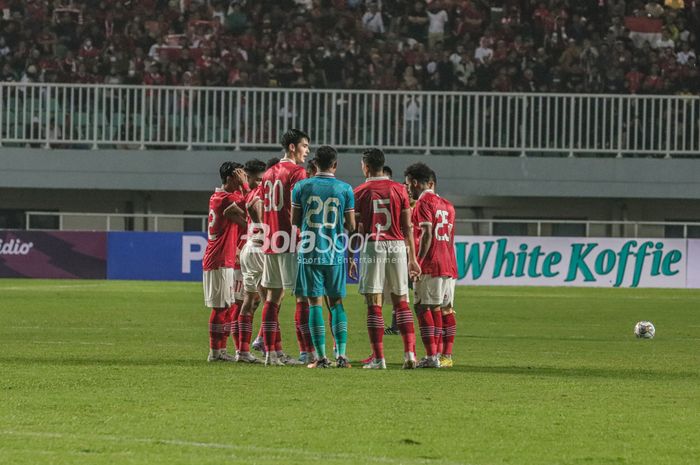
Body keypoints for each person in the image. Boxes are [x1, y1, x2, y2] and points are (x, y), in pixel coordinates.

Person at [354, 150, 421, 369]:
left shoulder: (361, 191)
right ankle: (410, 354)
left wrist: (351, 254)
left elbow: (358, 228)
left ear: (366, 166)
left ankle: (378, 358)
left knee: (375, 302)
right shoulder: (400, 189)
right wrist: (413, 258)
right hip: (398, 245)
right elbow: (408, 226)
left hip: (374, 245)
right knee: (401, 301)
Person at [291, 145, 357, 368]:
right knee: (336, 302)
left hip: (310, 251)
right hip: (335, 252)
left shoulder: (301, 187)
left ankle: (320, 358)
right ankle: (342, 356)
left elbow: (294, 221)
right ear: (335, 165)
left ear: (315, 164)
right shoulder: (345, 189)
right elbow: (351, 225)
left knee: (314, 303)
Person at [259, 129, 310, 366]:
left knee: (273, 296)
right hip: (290, 239)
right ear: (292, 147)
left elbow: (260, 204)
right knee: (303, 298)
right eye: (304, 146)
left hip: (271, 239)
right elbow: (302, 206)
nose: (307, 151)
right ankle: (309, 353)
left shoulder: (268, 173)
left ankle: (271, 353)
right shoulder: (297, 172)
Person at [404, 162, 457, 368]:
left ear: (416, 183)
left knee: (423, 306)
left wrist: (418, 261)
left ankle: (431, 356)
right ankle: (446, 356)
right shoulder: (448, 205)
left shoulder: (423, 204)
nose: (408, 189)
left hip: (431, 263)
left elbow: (426, 234)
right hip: (449, 264)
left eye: (408, 185)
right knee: (445, 308)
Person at [202, 161, 248, 362]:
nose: (243, 179)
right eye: (240, 176)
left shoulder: (223, 197)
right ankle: (215, 352)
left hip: (225, 258)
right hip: (218, 258)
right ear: (230, 178)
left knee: (227, 306)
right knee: (220, 308)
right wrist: (246, 186)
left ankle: (221, 350)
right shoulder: (224, 199)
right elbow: (248, 210)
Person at [234, 158, 268, 363]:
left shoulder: (247, 193)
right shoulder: (259, 194)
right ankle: (270, 347)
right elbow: (257, 213)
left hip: (248, 248)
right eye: (261, 179)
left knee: (250, 300)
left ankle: (243, 351)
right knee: (271, 301)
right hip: (260, 248)